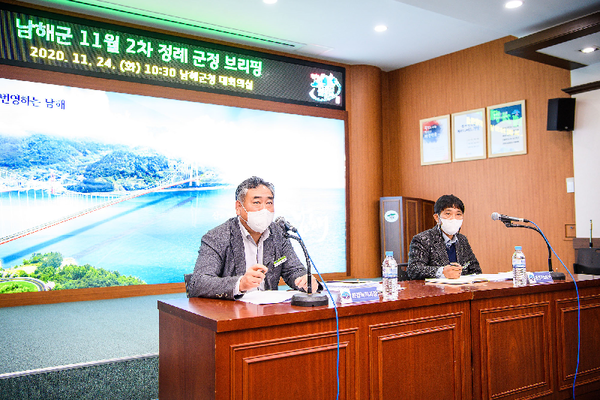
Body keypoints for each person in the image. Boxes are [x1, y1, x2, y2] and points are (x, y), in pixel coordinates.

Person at [187, 176, 320, 299]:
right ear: (239, 207)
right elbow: (198, 283)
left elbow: (293, 270)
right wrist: (240, 284)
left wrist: (304, 280)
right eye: (257, 203)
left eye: (269, 203)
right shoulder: (217, 237)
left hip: (268, 312)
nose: (264, 209)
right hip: (230, 314)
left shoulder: (278, 233)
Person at [407, 194, 481, 280]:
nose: (453, 219)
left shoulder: (462, 240)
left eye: (458, 214)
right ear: (437, 218)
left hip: (462, 289)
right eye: (448, 214)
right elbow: (413, 269)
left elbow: (476, 270)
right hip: (435, 291)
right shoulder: (423, 239)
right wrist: (441, 272)